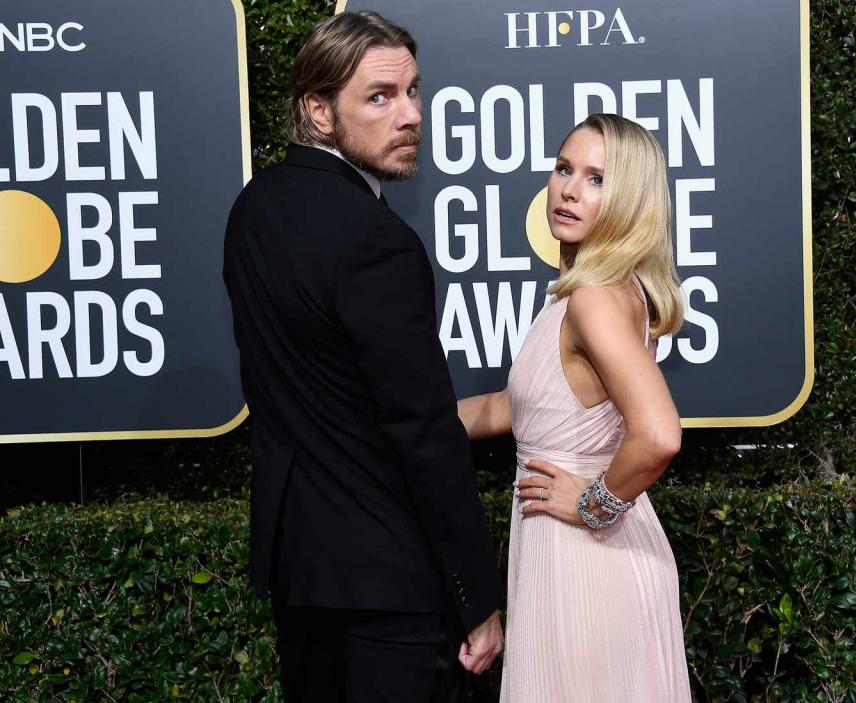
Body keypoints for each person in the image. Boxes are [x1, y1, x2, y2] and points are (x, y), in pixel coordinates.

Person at [222, 11, 503, 702]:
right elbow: (423, 429)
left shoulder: (253, 210)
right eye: (380, 97)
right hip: (390, 580)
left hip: (300, 571)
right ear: (319, 111)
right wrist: (476, 595)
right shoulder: (378, 240)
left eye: (413, 91)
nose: (409, 115)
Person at [458, 114, 692, 702]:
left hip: (588, 558)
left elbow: (659, 433)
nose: (568, 189)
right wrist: (398, 421)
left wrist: (594, 505)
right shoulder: (600, 290)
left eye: (596, 179)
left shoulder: (593, 298)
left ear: (630, 200)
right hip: (574, 554)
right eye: (565, 168)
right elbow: (519, 409)